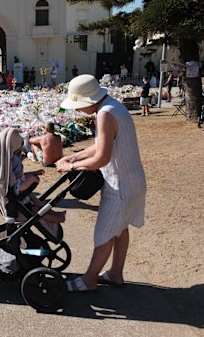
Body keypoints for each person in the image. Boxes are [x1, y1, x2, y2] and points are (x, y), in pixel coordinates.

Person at [55, 74, 146, 292]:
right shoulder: (113, 106)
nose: (77, 110)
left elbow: (102, 158)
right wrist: (75, 157)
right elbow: (100, 145)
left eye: (78, 105)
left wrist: (72, 166)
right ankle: (115, 273)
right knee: (120, 229)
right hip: (133, 181)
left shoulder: (105, 115)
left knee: (105, 233)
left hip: (120, 186)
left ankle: (89, 280)